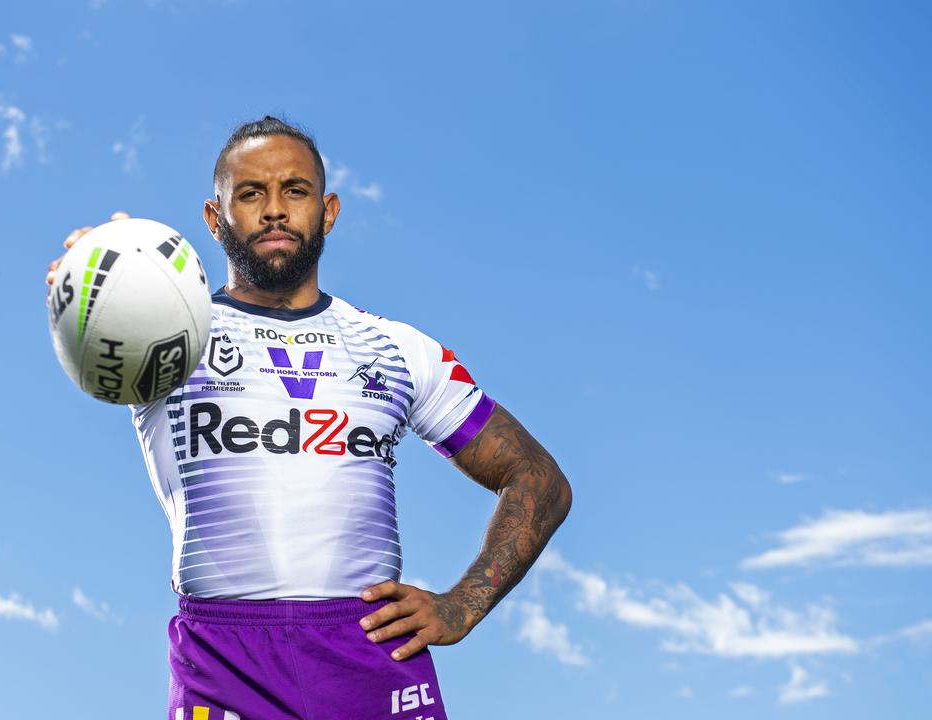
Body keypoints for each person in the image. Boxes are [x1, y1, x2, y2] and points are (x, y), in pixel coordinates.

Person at [46, 117, 572, 720]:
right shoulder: (169, 332)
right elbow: (107, 296)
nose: (274, 210)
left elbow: (538, 478)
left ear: (328, 212)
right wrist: (95, 270)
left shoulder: (397, 348)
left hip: (370, 652)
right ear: (215, 219)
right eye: (250, 193)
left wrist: (462, 604)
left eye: (294, 191)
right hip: (226, 662)